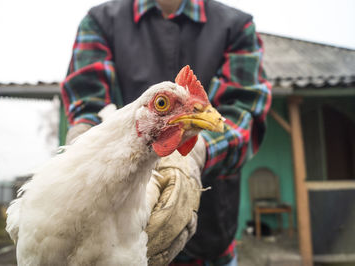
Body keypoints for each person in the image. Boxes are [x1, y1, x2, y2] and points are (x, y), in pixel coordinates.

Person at [61, 0, 272, 265]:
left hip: (210, 236)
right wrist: (83, 146)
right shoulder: (101, 21)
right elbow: (88, 105)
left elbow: (245, 114)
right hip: (112, 241)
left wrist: (197, 152)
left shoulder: (236, 26)